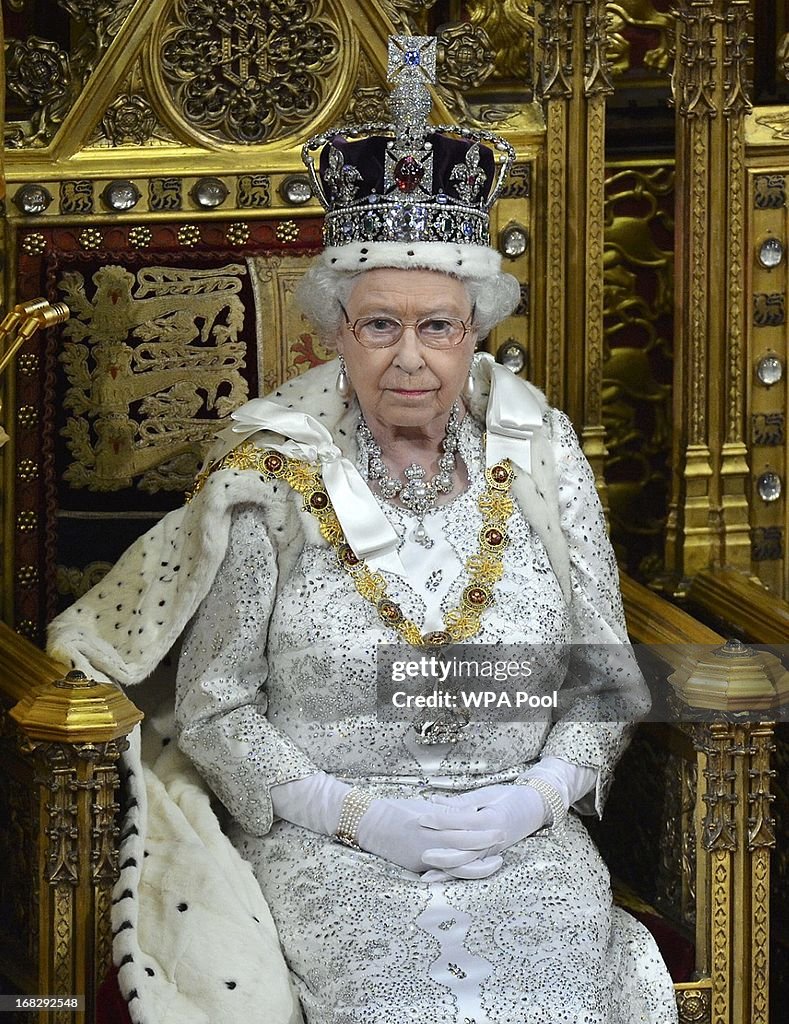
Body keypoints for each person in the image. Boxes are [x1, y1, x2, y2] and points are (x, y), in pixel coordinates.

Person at [49, 35, 678, 1024]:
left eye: (439, 325)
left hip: (524, 848)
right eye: (379, 325)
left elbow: (603, 686)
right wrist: (353, 815)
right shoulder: (270, 478)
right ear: (335, 329)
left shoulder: (546, 467)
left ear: (477, 329)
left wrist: (536, 800)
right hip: (330, 849)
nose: (412, 359)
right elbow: (214, 708)